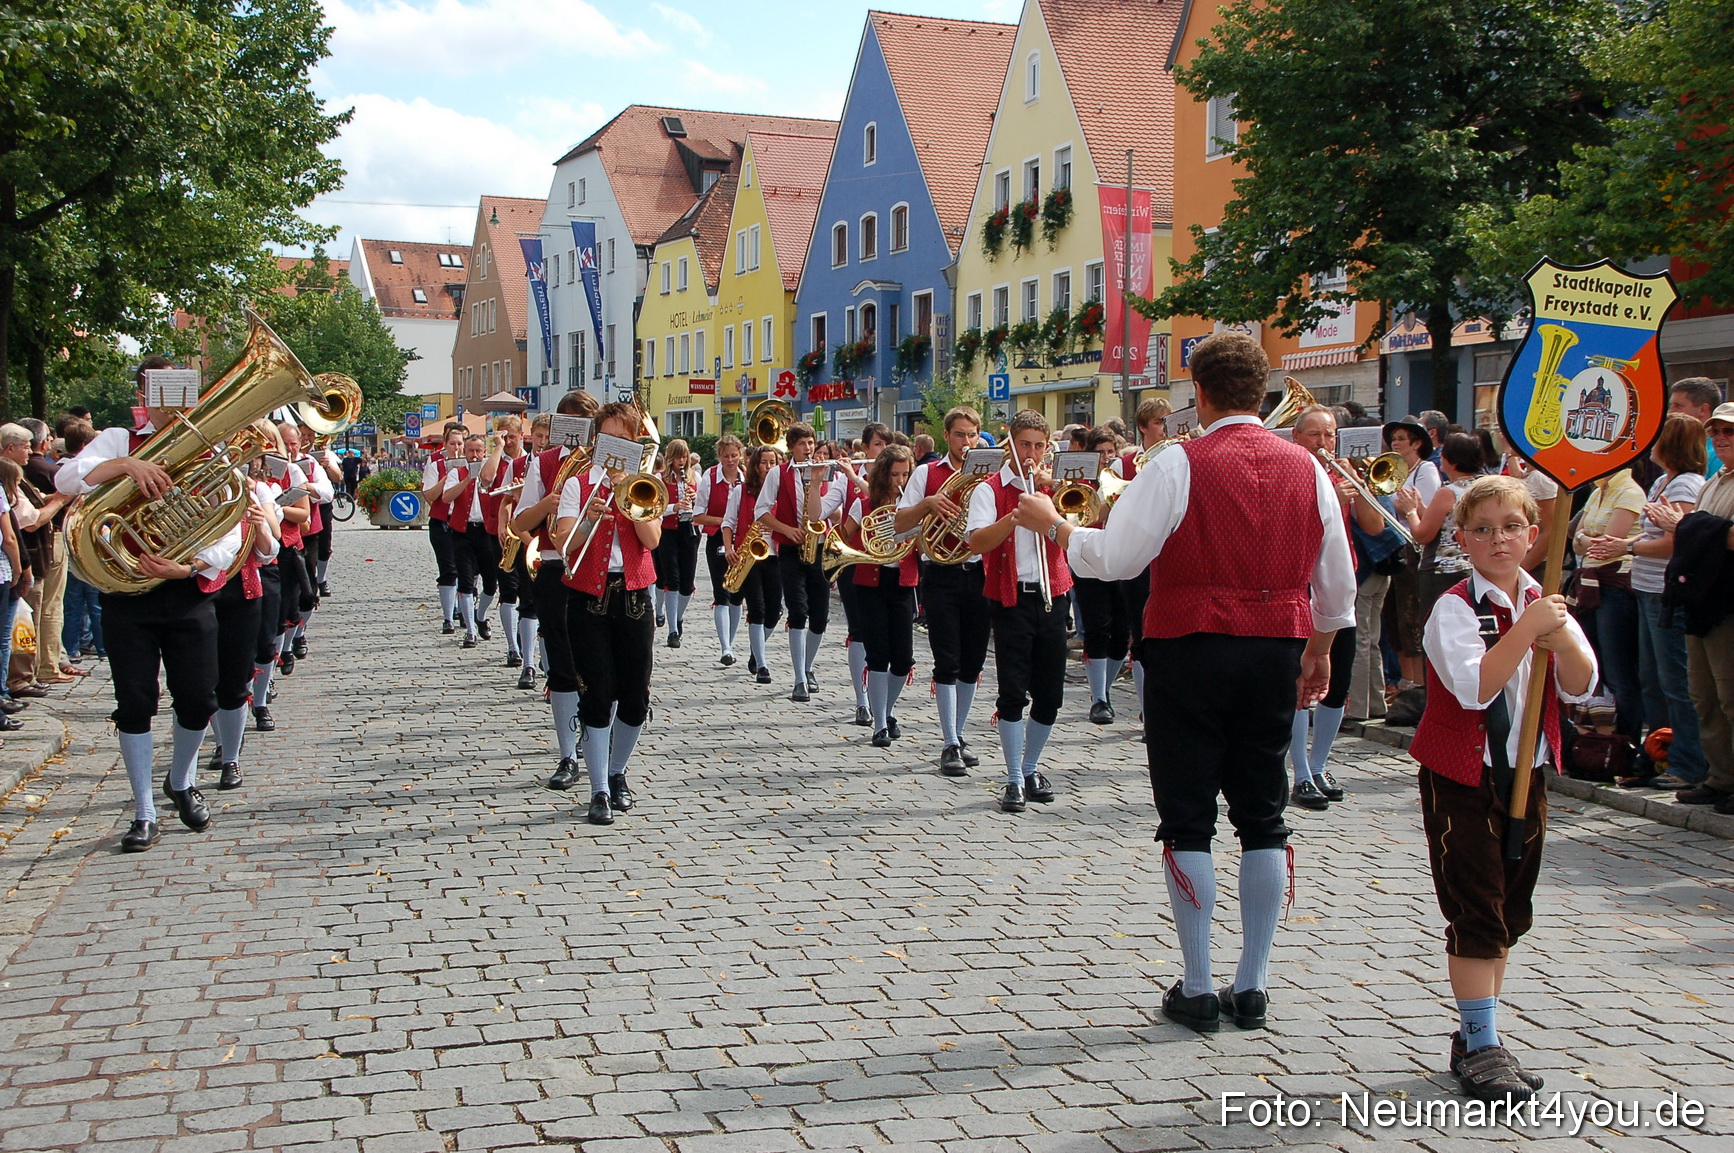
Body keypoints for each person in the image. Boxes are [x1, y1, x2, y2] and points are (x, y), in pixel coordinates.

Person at [1013, 331, 1355, 1034]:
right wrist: (1317, 650)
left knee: (1188, 814)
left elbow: (1114, 556)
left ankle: (1198, 984)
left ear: (1197, 393)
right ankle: (1252, 982)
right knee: (1264, 812)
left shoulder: (1178, 464)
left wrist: (1055, 527)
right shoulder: (1308, 467)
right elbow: (1337, 584)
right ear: (1261, 393)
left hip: (1189, 649)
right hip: (1275, 649)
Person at [1411, 475, 1595, 1102]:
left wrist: (1558, 631)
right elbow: (1476, 687)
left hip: (1527, 771)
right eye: (1483, 529)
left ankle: (1480, 1030)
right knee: (1476, 905)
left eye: (1511, 527)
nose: (1499, 540)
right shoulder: (1455, 607)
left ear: (1533, 536)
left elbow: (1579, 683)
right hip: (1465, 774)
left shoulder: (1544, 600)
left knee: (1510, 906)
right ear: (1461, 539)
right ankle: (1481, 1042)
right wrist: (1525, 630)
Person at [55, 361, 245, 851]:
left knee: (200, 699)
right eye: (160, 388)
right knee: (136, 703)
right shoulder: (119, 438)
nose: (172, 398)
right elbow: (66, 478)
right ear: (143, 391)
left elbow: (231, 524)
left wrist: (189, 565)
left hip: (184, 591)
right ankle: (143, 811)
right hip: (127, 591)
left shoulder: (211, 448)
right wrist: (123, 466)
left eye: (183, 388)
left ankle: (180, 781)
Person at [555, 400, 662, 826]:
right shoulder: (577, 486)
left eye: (625, 438)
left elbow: (651, 541)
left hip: (634, 597)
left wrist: (628, 497)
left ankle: (618, 773)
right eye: (609, 438)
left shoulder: (644, 485)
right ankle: (598, 788)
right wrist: (586, 522)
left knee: (635, 696)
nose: (616, 445)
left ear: (635, 444)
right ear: (596, 441)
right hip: (587, 601)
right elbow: (565, 546)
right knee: (596, 695)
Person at [969, 409, 1072, 813]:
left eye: (1038, 446)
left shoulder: (1053, 489)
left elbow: (1079, 531)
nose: (1031, 453)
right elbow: (977, 542)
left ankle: (1031, 767)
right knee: (1013, 691)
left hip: (1054, 594)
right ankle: (1012, 777)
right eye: (1024, 444)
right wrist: (1014, 517)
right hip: (1011, 598)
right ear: (1010, 445)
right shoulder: (990, 490)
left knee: (1051, 694)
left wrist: (1054, 499)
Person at [1287, 406, 1389, 810]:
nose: (1323, 443)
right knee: (1301, 681)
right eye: (1314, 435)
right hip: (1301, 584)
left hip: (1344, 585)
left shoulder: (1345, 475)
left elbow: (1375, 526)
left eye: (1329, 435)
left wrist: (1360, 488)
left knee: (1338, 680)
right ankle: (1299, 772)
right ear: (1297, 438)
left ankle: (1319, 763)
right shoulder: (1292, 474)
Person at [1601, 413, 1708, 788]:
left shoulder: (1686, 486)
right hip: (1646, 588)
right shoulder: (1664, 480)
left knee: (1675, 680)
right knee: (1652, 679)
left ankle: (1688, 760)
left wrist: (1627, 545)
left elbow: (1678, 541)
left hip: (1666, 594)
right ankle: (1658, 754)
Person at [895, 407, 990, 773]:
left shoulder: (989, 474)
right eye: (959, 435)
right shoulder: (927, 473)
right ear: (947, 436)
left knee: (973, 663)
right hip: (941, 573)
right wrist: (927, 504)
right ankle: (949, 741)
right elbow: (900, 522)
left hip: (980, 573)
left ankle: (959, 733)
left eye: (972, 435)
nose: (966, 442)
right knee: (946, 660)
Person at [513, 390, 601, 786]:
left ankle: (596, 741)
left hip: (598, 573)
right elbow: (519, 524)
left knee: (597, 666)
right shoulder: (544, 462)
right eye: (571, 426)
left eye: (585, 427)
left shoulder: (608, 466)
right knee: (562, 667)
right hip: (554, 568)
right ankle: (568, 755)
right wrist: (548, 505)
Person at [1667, 402, 1734, 812]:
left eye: (1729, 432)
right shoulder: (1715, 480)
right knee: (1703, 694)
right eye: (1717, 433)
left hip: (1729, 602)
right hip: (1702, 600)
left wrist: (1686, 527)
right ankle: (1720, 777)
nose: (1722, 439)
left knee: (1731, 696)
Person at [754, 422, 845, 701]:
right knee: (797, 611)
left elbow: (837, 515)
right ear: (792, 447)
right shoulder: (779, 474)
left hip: (819, 549)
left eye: (811, 443)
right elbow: (761, 511)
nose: (808, 449)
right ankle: (799, 678)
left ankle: (808, 666)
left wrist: (823, 491)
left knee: (820, 616)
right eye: (803, 444)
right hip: (791, 549)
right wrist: (785, 528)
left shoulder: (824, 471)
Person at [845, 446, 918, 746]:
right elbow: (843, 535)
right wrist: (867, 537)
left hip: (902, 581)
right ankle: (879, 725)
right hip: (869, 582)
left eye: (905, 474)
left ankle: (885, 711)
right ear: (882, 474)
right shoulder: (863, 504)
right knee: (878, 655)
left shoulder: (912, 505)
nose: (899, 480)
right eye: (894, 474)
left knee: (903, 660)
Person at [1570, 468, 1646, 746]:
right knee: (1596, 666)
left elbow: (1606, 545)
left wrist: (1585, 540)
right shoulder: (1597, 492)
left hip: (1615, 586)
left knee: (1618, 671)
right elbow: (1575, 537)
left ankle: (1626, 744)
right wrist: (1586, 541)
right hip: (1590, 585)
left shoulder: (1629, 492)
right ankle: (1598, 741)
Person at [1073, 426, 1133, 724]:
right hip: (1088, 559)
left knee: (1122, 630)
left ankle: (1105, 691)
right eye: (1100, 453)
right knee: (1097, 628)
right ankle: (1098, 697)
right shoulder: (1079, 482)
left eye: (1110, 452)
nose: (1106, 457)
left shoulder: (1123, 480)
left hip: (1120, 557)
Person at [832, 423, 891, 724]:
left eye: (887, 444)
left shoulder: (900, 479)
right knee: (859, 632)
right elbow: (820, 514)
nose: (882, 450)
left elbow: (891, 501)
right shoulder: (846, 482)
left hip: (889, 567)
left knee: (889, 642)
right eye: (878, 444)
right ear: (865, 448)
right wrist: (816, 483)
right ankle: (862, 700)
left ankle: (883, 705)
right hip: (855, 565)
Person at [723, 445, 783, 683]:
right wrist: (729, 549)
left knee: (774, 612)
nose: (769, 467)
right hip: (748, 556)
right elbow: (728, 522)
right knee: (756, 610)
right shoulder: (742, 491)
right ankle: (762, 665)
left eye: (773, 462)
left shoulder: (782, 491)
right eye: (764, 462)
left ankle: (755, 653)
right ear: (755, 465)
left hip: (774, 555)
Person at [480, 415, 530, 665]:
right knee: (508, 588)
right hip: (499, 532)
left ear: (522, 436)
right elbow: (486, 479)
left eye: (512, 436)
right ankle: (513, 647)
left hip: (529, 531)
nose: (509, 441)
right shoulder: (497, 459)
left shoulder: (532, 461)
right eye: (504, 436)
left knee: (528, 591)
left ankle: (526, 642)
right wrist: (497, 448)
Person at [694, 434, 746, 665]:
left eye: (734, 455)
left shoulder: (747, 478)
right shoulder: (709, 477)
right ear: (719, 456)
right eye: (726, 456)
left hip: (743, 541)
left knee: (738, 595)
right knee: (722, 593)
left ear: (740, 455)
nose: (730, 460)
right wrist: (726, 520)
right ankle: (725, 647)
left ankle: (730, 644)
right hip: (717, 540)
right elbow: (698, 516)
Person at [442, 434, 495, 648]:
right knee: (465, 581)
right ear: (465, 453)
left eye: (478, 451)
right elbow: (446, 498)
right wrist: (467, 480)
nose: (474, 455)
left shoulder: (491, 473)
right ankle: (471, 631)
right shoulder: (457, 472)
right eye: (470, 450)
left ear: (484, 452)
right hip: (462, 532)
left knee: (491, 584)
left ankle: (480, 616)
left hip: (486, 532)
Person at [57, 421, 103, 662]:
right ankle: (99, 646)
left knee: (75, 604)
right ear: (86, 446)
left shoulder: (56, 465)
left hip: (73, 543)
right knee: (91, 602)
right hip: (84, 542)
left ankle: (74, 646)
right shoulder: (71, 471)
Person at [653, 439, 701, 647]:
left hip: (689, 529)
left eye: (684, 457)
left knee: (687, 582)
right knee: (671, 578)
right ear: (670, 457)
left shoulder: (695, 477)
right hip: (667, 531)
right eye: (677, 457)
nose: (681, 461)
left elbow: (703, 506)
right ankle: (673, 630)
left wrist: (695, 498)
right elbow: (654, 508)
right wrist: (674, 506)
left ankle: (678, 616)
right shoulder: (660, 478)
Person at [421, 423, 466, 632]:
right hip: (442, 521)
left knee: (467, 569)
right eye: (452, 444)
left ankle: (465, 612)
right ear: (445, 445)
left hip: (464, 522)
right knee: (448, 569)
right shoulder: (436, 465)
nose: (456, 448)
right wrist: (446, 478)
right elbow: (429, 496)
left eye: (459, 444)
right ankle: (448, 617)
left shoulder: (471, 465)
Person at [1669, 377, 1724, 474]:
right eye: (1671, 406)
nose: (1670, 412)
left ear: (1703, 409)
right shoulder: (1678, 447)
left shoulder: (1719, 452)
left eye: (1678, 406)